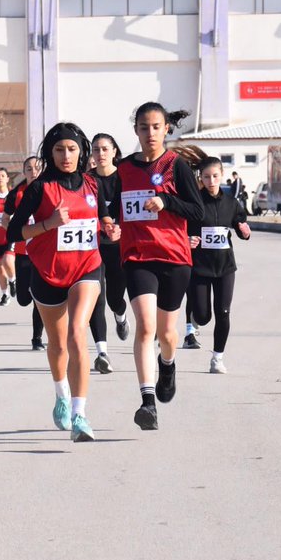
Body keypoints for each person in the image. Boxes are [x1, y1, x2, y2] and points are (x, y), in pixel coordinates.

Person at [7, 122, 115, 442]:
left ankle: (81, 414)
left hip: (87, 266)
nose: (66, 155)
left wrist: (111, 228)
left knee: (77, 333)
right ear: (49, 153)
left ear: (81, 151)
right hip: (47, 271)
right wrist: (48, 224)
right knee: (57, 343)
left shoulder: (94, 184)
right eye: (58, 149)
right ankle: (61, 394)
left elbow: (106, 217)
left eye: (71, 149)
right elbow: (14, 233)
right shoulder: (39, 188)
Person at [102, 101, 204, 431]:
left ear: (166, 130)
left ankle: (168, 364)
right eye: (143, 128)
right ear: (136, 131)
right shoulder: (125, 169)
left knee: (168, 334)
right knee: (146, 327)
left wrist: (166, 201)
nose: (150, 133)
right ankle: (147, 403)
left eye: (156, 127)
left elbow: (197, 211)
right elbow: (116, 208)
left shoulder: (178, 166)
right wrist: (112, 225)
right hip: (137, 257)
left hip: (174, 257)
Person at [186, 156, 251, 373]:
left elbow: (240, 223)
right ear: (200, 178)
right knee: (203, 316)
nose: (211, 180)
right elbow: (183, 228)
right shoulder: (195, 203)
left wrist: (244, 231)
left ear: (221, 175)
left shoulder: (231, 202)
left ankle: (217, 358)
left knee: (223, 312)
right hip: (200, 267)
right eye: (206, 177)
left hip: (225, 267)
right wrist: (188, 240)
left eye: (215, 176)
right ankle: (195, 318)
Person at [88, 133, 130, 375]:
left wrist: (122, 228)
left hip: (120, 246)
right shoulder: (87, 180)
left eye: (105, 149)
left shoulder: (125, 178)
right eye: (96, 149)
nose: (101, 154)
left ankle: (121, 315)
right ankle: (102, 352)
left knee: (115, 298)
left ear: (114, 151)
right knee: (97, 298)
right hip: (94, 246)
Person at [4, 156, 46, 351]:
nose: (33, 171)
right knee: (23, 299)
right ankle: (22, 289)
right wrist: (12, 232)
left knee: (39, 297)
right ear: (24, 171)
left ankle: (37, 338)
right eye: (29, 168)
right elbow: (5, 219)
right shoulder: (16, 194)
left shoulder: (48, 188)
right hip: (23, 251)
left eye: (37, 167)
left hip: (43, 250)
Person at [0, 167, 17, 306]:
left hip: (9, 235)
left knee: (7, 261)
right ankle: (5, 294)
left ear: (7, 179)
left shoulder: (13, 195)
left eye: (3, 175)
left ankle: (13, 280)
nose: (0, 177)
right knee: (0, 268)